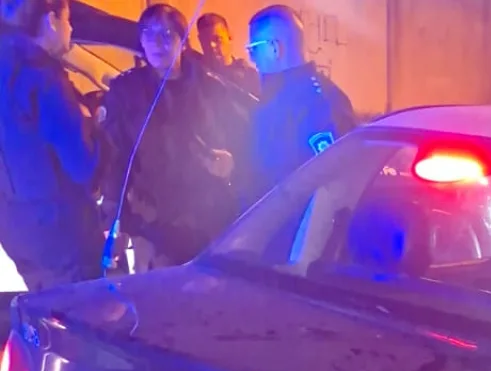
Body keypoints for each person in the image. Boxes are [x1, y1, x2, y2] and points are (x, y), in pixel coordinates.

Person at [100, 3, 250, 271]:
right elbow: (115, 157)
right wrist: (115, 219)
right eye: (148, 33)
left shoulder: (211, 87)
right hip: (153, 226)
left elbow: (242, 140)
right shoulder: (126, 91)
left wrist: (232, 163)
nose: (157, 43)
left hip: (208, 219)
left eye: (167, 34)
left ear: (183, 40)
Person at [0, 0, 103, 290]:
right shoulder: (40, 73)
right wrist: (95, 127)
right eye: (68, 21)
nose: (70, 29)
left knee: (46, 312)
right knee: (82, 314)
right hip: (64, 237)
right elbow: (83, 165)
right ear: (50, 21)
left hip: (18, 233)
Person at [246, 4, 355, 199]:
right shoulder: (276, 98)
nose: (252, 59)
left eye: (253, 49)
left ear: (274, 48)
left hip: (294, 217)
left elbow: (328, 190)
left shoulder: (318, 103)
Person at [195, 13, 258, 97]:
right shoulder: (195, 78)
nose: (211, 45)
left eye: (217, 39)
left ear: (230, 37)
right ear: (200, 40)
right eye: (205, 40)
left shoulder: (250, 76)